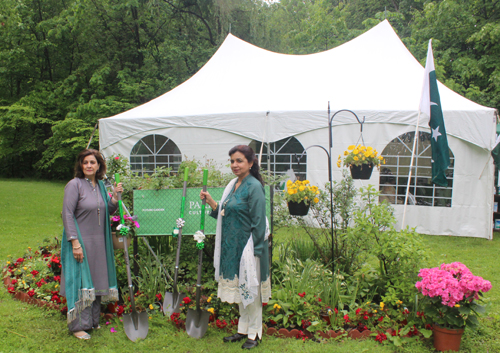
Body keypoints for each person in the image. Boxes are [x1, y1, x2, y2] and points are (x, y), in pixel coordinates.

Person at [200, 145, 271, 350]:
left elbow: (259, 221)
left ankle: (255, 332)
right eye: (232, 161)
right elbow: (225, 212)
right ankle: (243, 329)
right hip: (233, 247)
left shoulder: (254, 186)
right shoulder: (233, 185)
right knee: (241, 286)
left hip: (250, 247)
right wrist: (212, 202)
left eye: (239, 161)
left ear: (250, 163)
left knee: (251, 288)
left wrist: (257, 252)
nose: (234, 165)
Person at [60, 149, 122, 340]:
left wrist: (115, 197)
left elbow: (106, 210)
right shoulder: (74, 185)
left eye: (92, 162)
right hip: (80, 241)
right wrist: (75, 243)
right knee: (80, 281)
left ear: (98, 166)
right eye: (85, 162)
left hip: (98, 242)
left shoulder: (101, 186)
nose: (88, 166)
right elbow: (67, 214)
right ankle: (78, 325)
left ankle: (92, 321)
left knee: (94, 281)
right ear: (81, 165)